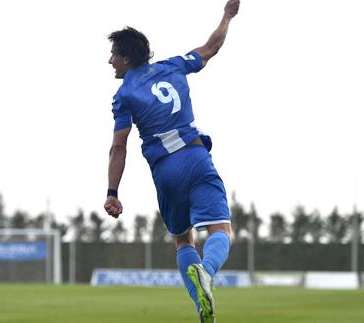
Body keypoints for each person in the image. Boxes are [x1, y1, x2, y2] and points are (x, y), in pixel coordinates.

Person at [103, 1, 240, 322]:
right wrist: (227, 16)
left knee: (182, 241)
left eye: (113, 55)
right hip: (194, 156)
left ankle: (203, 308)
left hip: (164, 171)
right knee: (222, 229)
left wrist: (112, 192)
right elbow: (211, 47)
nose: (110, 60)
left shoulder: (123, 95)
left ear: (126, 58)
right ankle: (206, 272)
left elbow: (118, 148)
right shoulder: (174, 66)